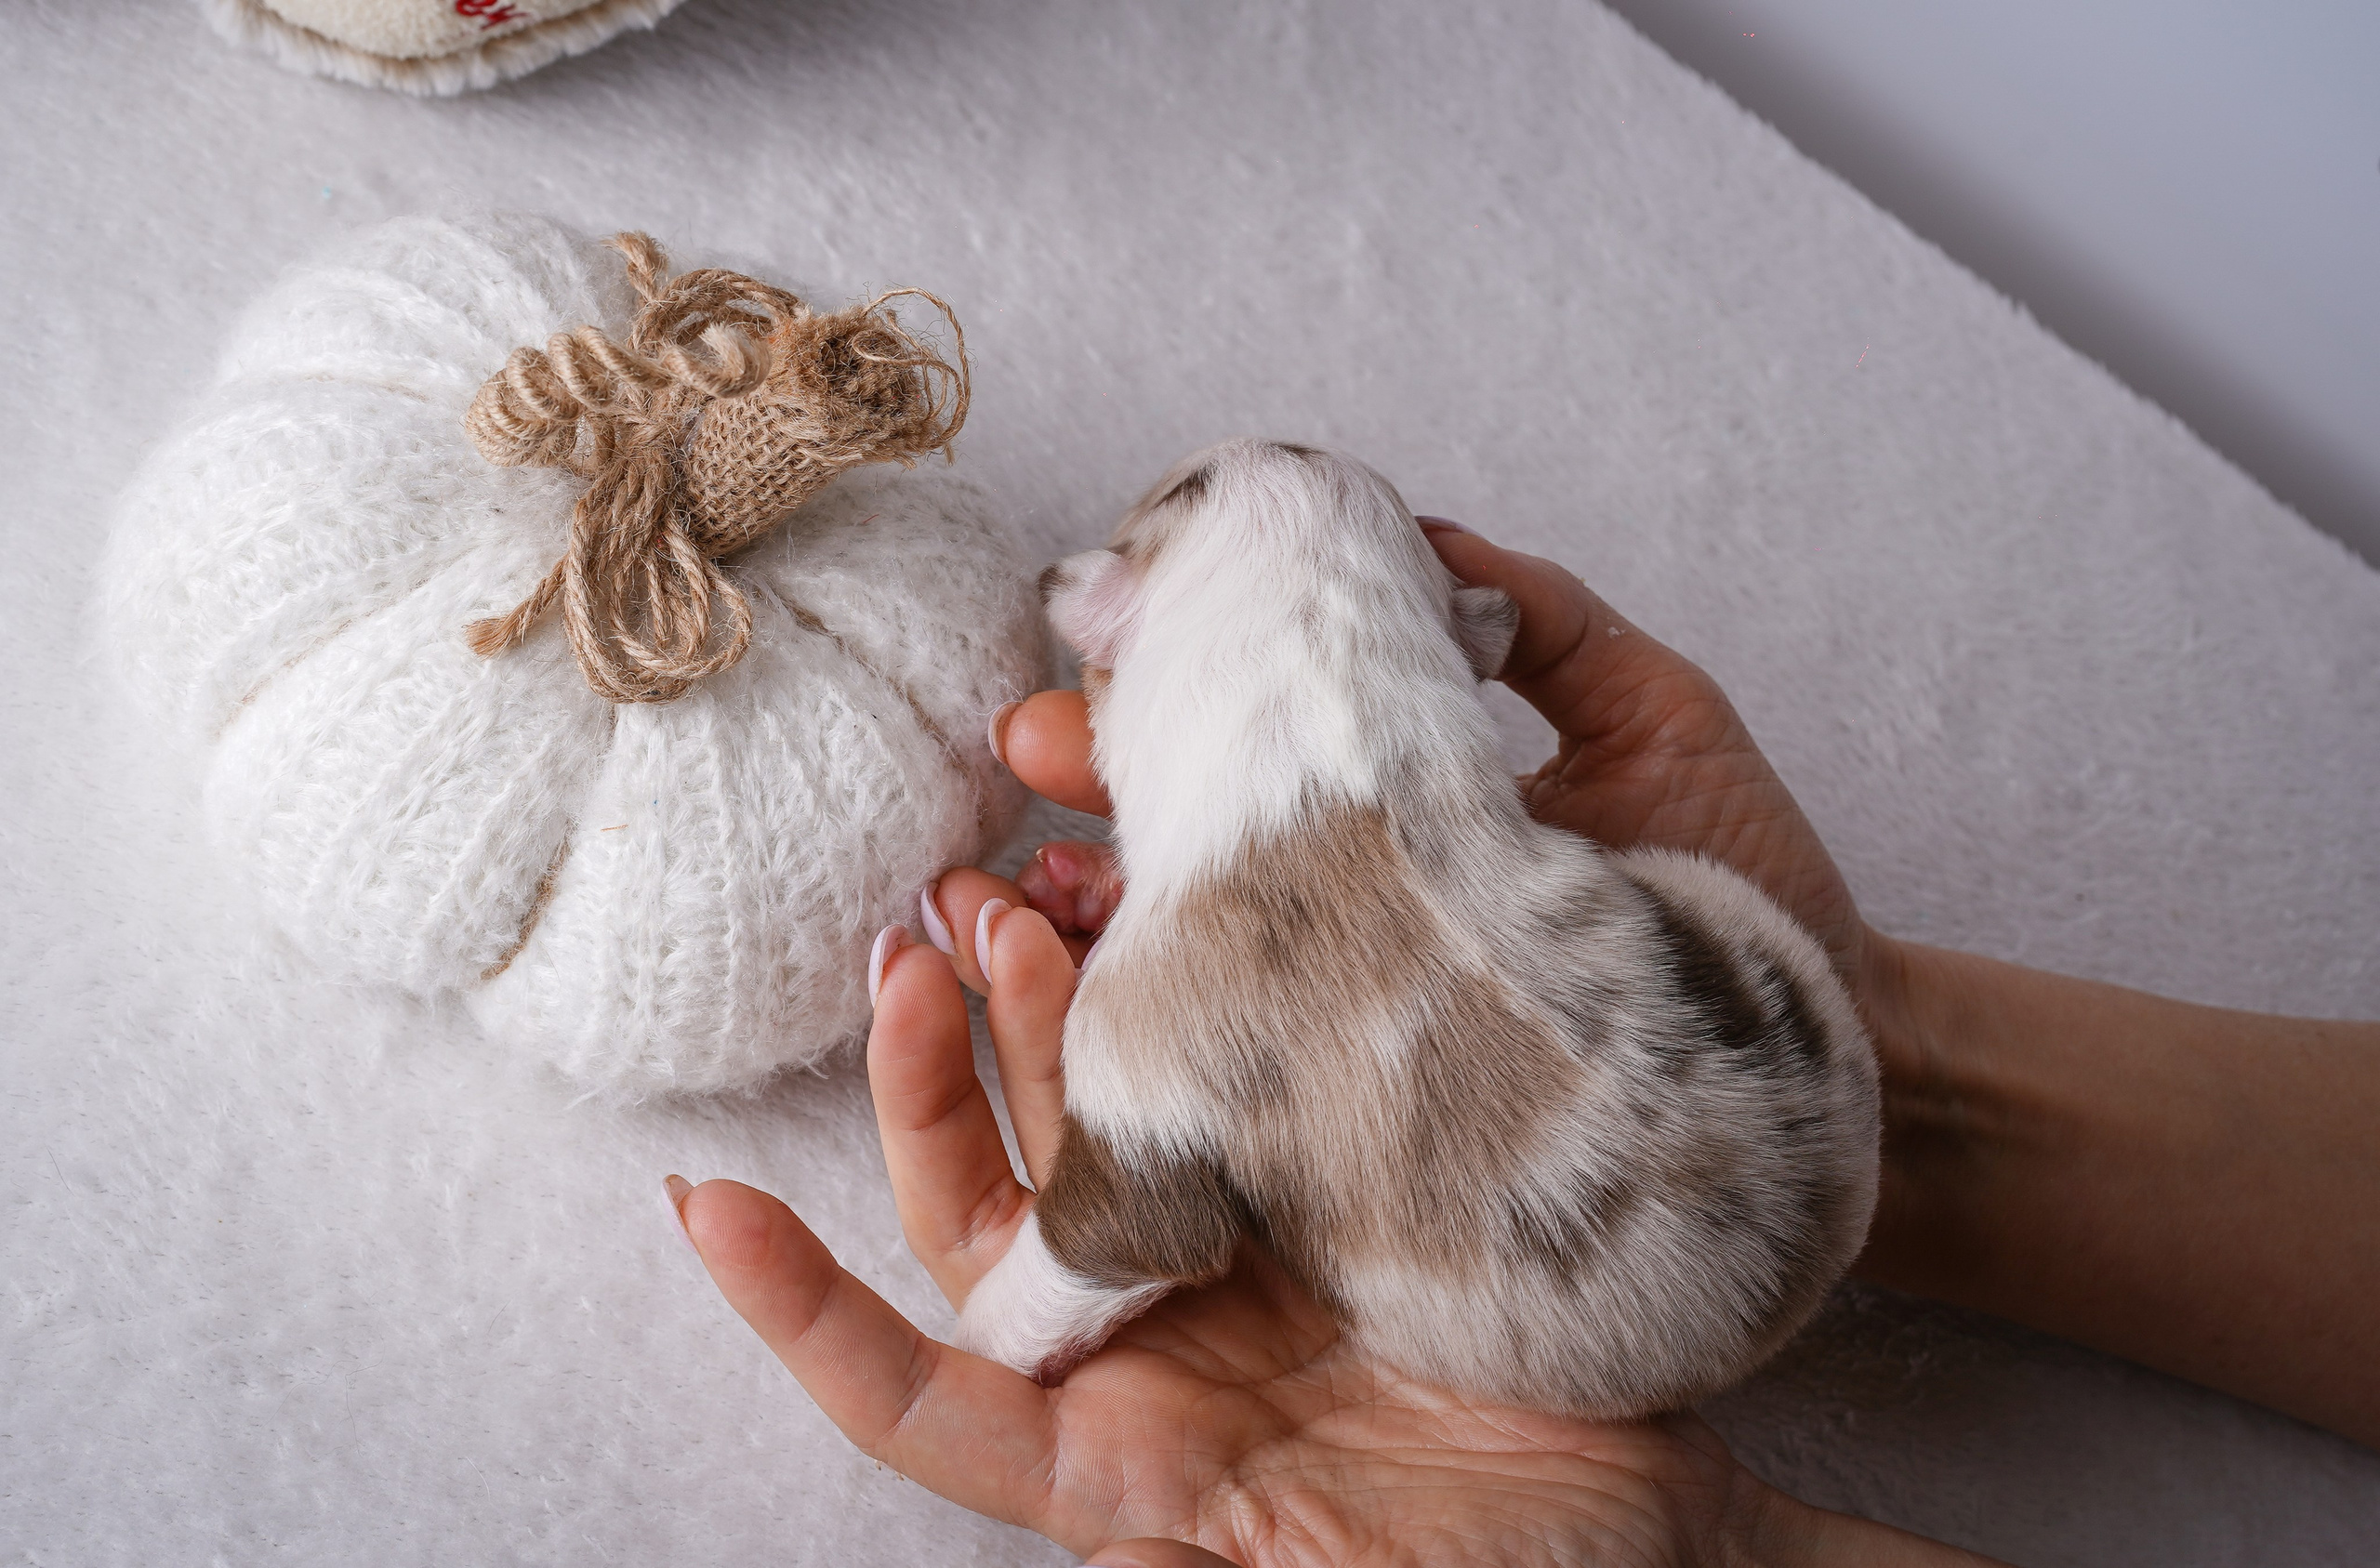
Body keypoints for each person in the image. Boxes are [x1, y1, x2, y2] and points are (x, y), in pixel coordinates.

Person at [668, 519, 2380, 1567]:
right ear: (1466, 658)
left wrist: (1008, 1318)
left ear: (1108, 621)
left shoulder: (1174, 979)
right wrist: (1890, 1068)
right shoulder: (1427, 826)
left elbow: (1145, 1225)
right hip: (1780, 1116)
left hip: (1580, 1312)